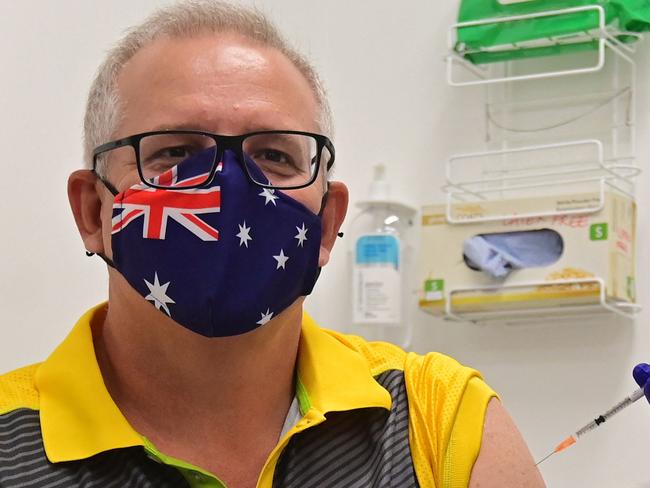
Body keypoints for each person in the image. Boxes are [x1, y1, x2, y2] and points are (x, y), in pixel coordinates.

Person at [0, 2, 545, 487]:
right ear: (94, 212)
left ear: (328, 222)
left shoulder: (439, 419)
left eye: (275, 156)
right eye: (174, 152)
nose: (229, 184)